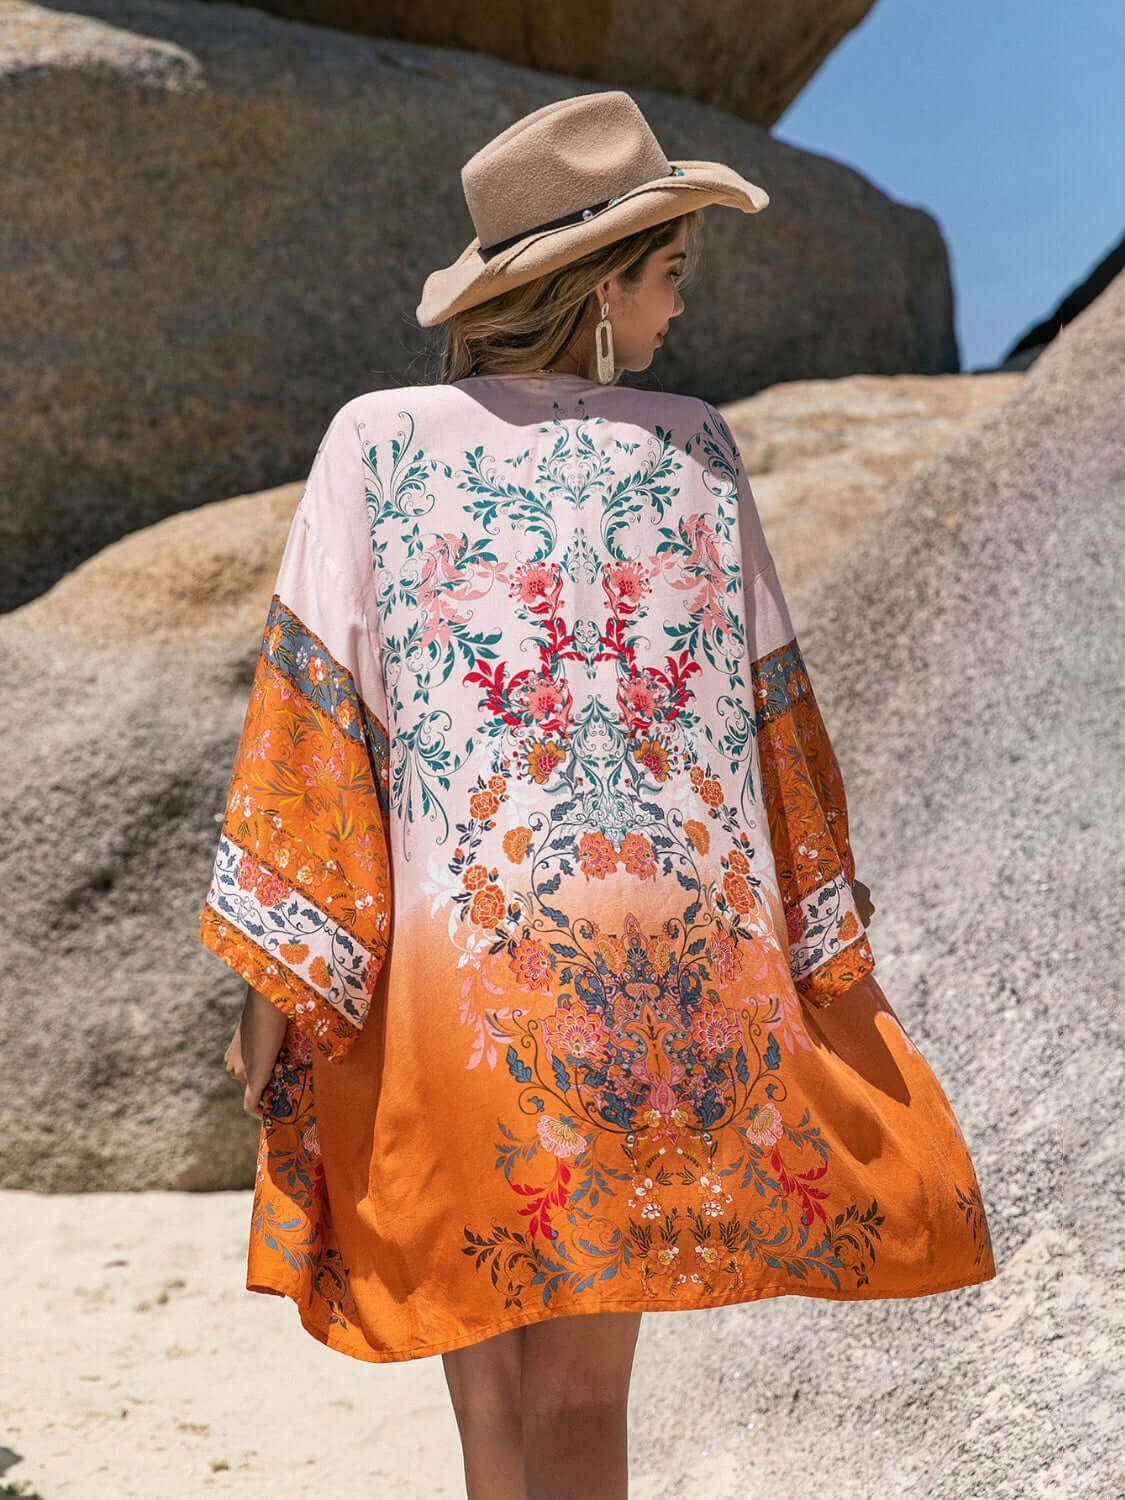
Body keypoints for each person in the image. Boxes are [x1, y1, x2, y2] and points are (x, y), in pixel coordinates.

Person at [206, 90, 996, 1500]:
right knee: (582, 1400)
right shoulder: (691, 448)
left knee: (491, 1379)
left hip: (466, 965)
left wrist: (275, 983)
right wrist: (813, 958)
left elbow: (318, 724)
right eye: (668, 272)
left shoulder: (375, 440)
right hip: (664, 975)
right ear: (594, 286)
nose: (680, 307)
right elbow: (764, 722)